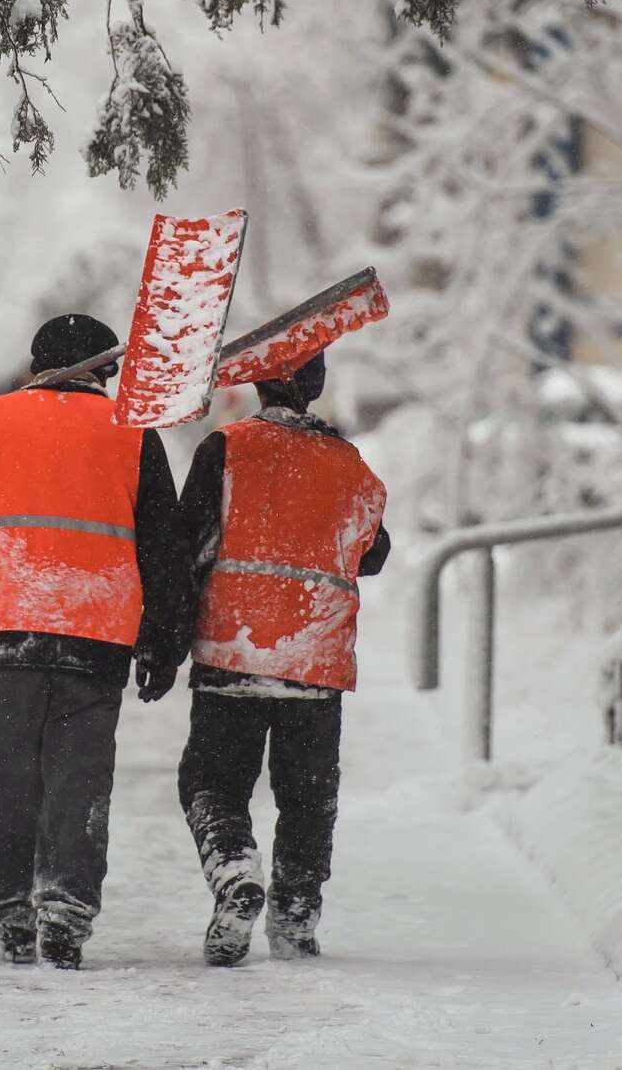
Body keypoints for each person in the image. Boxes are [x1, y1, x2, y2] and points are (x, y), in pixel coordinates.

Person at [0, 314, 187, 970]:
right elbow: (166, 550)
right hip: (95, 632)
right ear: (105, 372)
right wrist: (164, 645)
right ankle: (66, 913)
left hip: (4, 627)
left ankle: (10, 911)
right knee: (80, 779)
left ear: (35, 365)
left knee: (10, 775)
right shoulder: (135, 437)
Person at [167, 351, 390, 967]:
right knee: (307, 797)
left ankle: (236, 872)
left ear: (260, 385)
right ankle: (295, 918)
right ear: (316, 389)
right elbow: (373, 552)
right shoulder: (351, 465)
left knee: (212, 782)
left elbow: (190, 544)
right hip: (317, 660)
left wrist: (162, 642)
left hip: (233, 650)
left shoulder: (227, 448)